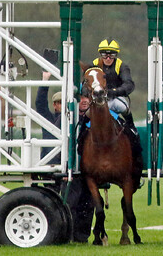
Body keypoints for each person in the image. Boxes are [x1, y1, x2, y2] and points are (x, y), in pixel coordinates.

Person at [89, 38, 142, 162]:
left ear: (116, 55)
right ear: (100, 54)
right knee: (86, 115)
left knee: (123, 107)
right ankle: (81, 135)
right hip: (98, 100)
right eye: (104, 54)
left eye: (111, 55)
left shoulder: (122, 66)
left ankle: (132, 128)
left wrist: (114, 92)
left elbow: (129, 84)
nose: (108, 58)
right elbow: (86, 82)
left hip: (115, 98)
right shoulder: (94, 64)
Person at [66, 94, 94, 243]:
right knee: (72, 204)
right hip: (73, 170)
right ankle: (69, 235)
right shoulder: (66, 120)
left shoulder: (95, 119)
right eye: (81, 98)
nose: (84, 101)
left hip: (89, 171)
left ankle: (82, 238)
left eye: (86, 98)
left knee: (89, 204)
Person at [34, 71, 62, 163]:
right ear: (54, 105)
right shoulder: (49, 119)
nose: (64, 105)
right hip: (50, 162)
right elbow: (40, 103)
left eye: (66, 102)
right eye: (60, 102)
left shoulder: (75, 119)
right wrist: (45, 80)